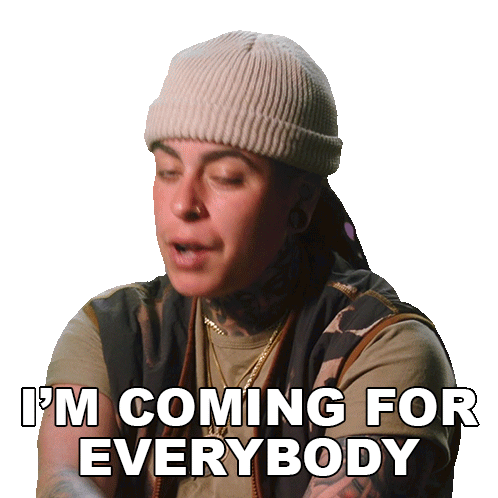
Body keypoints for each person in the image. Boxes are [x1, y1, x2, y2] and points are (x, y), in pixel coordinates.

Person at [37, 31, 458, 498]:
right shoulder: (117, 333)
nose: (183, 204)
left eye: (226, 177)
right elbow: (66, 479)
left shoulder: (383, 349)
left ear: (300, 203)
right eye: (168, 171)